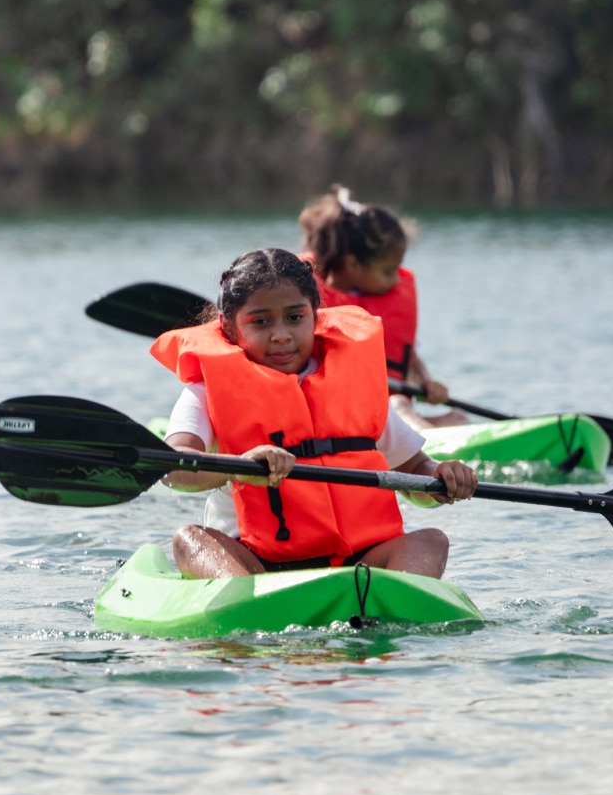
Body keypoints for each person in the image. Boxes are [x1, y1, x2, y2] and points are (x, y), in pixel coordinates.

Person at [149, 248, 477, 580]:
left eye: (295, 317)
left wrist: (441, 477)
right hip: (257, 562)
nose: (281, 334)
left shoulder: (355, 384)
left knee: (430, 541)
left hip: (359, 561)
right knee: (189, 539)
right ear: (229, 327)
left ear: (316, 316)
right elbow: (173, 468)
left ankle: (394, 603)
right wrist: (239, 468)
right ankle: (252, 608)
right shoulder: (206, 392)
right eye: (260, 322)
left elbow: (413, 470)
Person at [297, 183, 469, 430]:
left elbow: (409, 358)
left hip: (386, 421)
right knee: (397, 404)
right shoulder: (304, 297)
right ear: (353, 264)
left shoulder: (391, 302)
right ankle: (426, 455)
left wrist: (427, 381)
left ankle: (426, 448)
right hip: (339, 417)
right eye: (388, 271)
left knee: (458, 419)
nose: (397, 280)